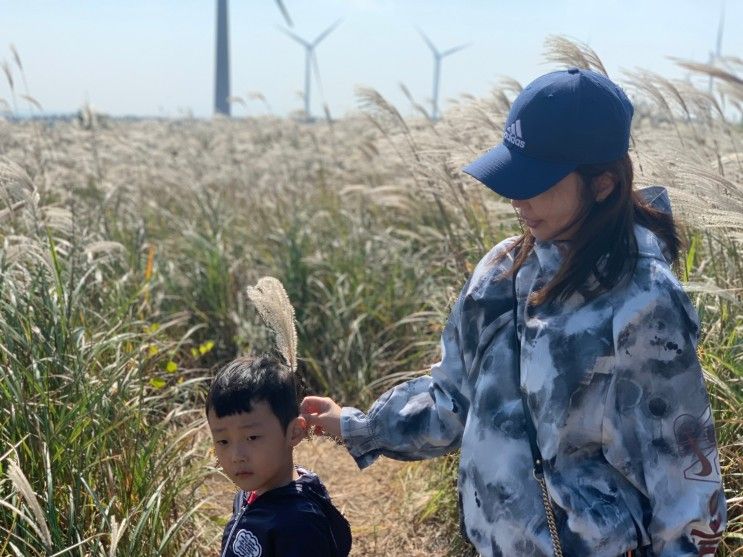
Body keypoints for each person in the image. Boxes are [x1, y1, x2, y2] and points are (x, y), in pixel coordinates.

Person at [301, 68, 726, 556]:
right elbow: (449, 402)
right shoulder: (503, 270)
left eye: (536, 181)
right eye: (512, 174)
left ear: (603, 183)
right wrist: (358, 427)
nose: (515, 198)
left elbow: (685, 476)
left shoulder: (644, 302)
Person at [207, 354, 352, 557]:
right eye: (223, 441)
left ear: (294, 432)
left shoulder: (299, 524)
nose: (236, 456)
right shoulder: (250, 493)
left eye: (252, 437)